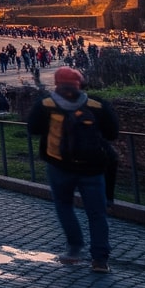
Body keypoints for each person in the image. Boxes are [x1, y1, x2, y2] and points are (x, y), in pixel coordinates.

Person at [27, 66, 119, 273]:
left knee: (64, 205)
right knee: (97, 213)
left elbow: (33, 129)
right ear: (81, 83)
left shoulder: (46, 104)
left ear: (57, 83)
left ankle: (75, 247)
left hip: (59, 165)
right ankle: (100, 260)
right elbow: (112, 133)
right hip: (93, 167)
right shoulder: (97, 104)